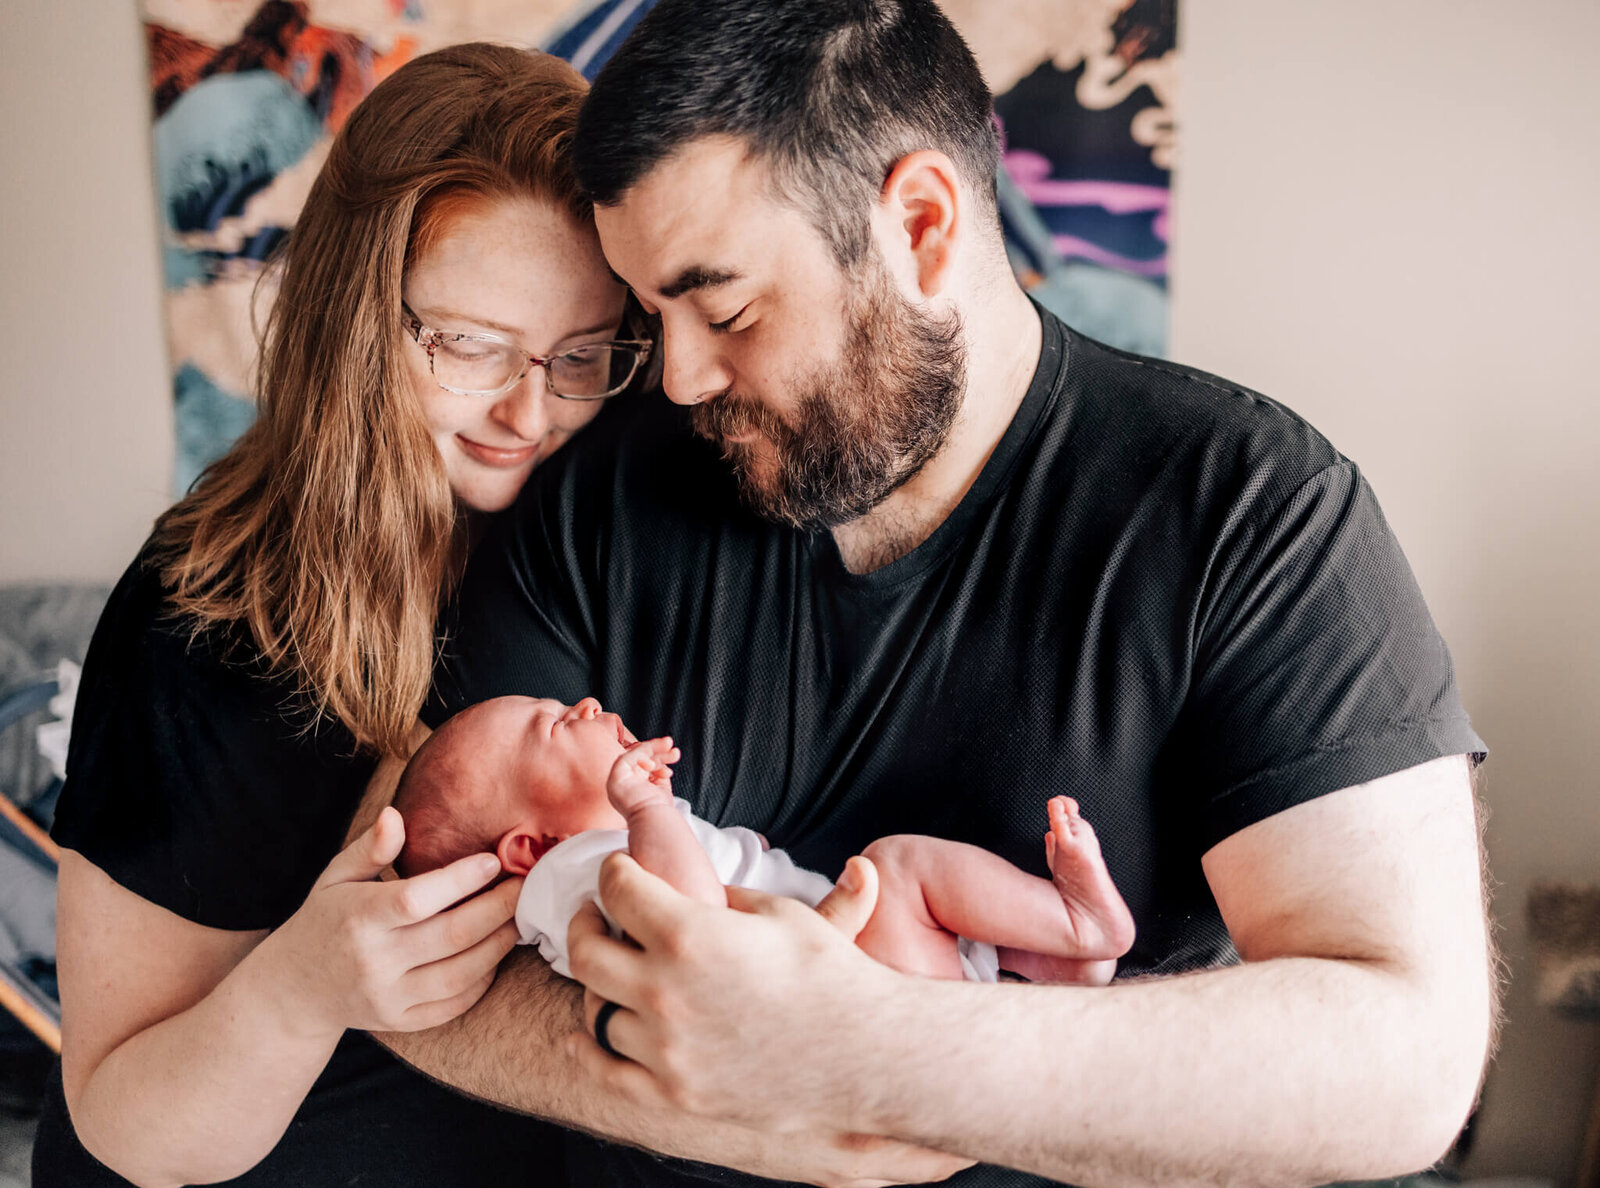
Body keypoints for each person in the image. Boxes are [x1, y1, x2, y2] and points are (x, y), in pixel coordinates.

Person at [381, 1, 1496, 1185]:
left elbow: (1404, 1061)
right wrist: (711, 1088)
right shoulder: (594, 500)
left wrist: (868, 1060)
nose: (688, 379)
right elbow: (420, 954)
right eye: (656, 320)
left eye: (727, 310)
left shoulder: (1248, 510)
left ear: (919, 223)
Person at [36, 43, 656, 1187]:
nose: (528, 410)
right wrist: (300, 989)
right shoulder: (208, 609)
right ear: (357, 316)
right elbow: (121, 1115)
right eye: (469, 346)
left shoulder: (602, 525)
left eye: (579, 354)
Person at [391, 695, 1136, 986]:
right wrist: (648, 808)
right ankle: (1078, 925)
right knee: (894, 866)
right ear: (529, 845)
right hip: (850, 990)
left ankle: (1051, 961)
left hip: (867, 971)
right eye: (554, 724)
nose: (585, 702)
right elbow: (686, 927)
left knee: (916, 895)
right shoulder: (565, 877)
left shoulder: (594, 856)